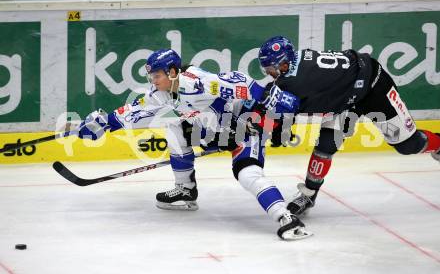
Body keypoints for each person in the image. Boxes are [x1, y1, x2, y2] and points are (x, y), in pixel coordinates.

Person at [74, 48, 311, 240]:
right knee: (174, 128)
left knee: (248, 175)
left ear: (173, 71)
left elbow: (243, 83)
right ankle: (186, 189)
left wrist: (272, 99)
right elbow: (135, 110)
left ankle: (285, 217)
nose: (153, 81)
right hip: (214, 129)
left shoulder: (198, 82)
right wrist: (101, 125)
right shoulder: (162, 93)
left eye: (156, 75)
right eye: (151, 76)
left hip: (244, 128)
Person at [252, 35, 440, 216]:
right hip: (345, 96)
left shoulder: (296, 82)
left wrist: (273, 124)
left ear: (285, 63)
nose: (269, 73)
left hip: (374, 87)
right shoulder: (298, 60)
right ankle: (308, 195)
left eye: (271, 68)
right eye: (266, 69)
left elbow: (287, 108)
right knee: (325, 146)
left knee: (409, 145)